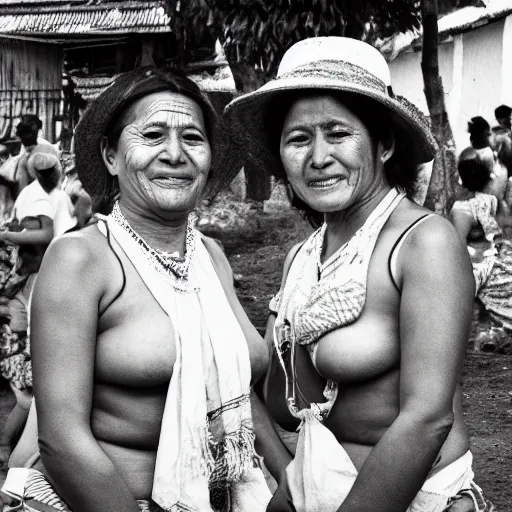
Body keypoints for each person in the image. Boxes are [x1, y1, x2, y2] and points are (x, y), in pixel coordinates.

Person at [225, 37, 494, 512]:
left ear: (384, 143)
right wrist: (290, 485)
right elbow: (272, 392)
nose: (318, 157)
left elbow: (427, 419)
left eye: (337, 132)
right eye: (298, 138)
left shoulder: (422, 244)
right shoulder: (302, 259)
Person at [1, 67, 272, 512]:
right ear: (111, 156)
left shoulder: (211, 258)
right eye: (152, 135)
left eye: (193, 138)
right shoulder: (81, 260)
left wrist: (286, 487)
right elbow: (61, 440)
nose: (174, 154)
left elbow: (236, 392)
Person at [0, 151, 76, 469]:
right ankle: (8, 450)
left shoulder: (36, 271)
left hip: (23, 339)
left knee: (31, 400)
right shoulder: (22, 273)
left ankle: (14, 453)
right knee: (25, 399)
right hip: (16, 340)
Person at [451, 147, 512, 333]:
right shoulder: (496, 203)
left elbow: (456, 248)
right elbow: (507, 231)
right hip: (500, 262)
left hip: (479, 267)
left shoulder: (461, 209)